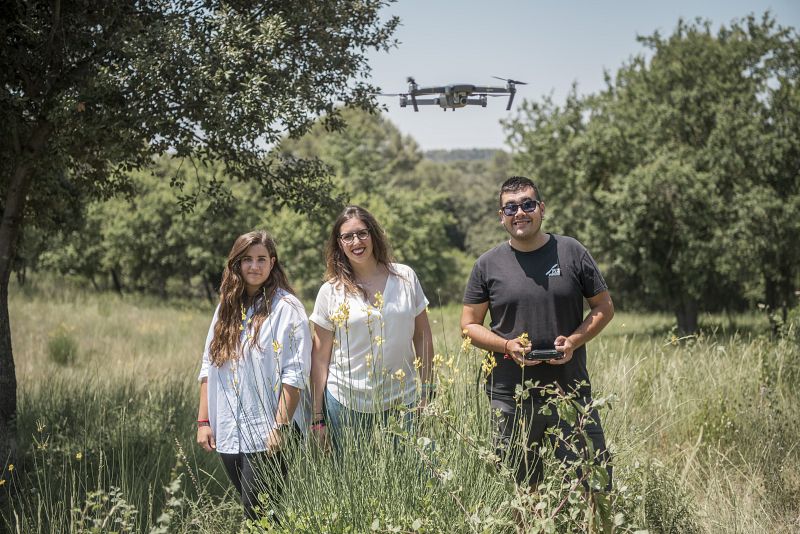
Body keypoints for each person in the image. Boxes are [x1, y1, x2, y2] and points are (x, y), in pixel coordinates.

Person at [460, 176, 614, 489]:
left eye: (528, 204)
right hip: (509, 398)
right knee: (521, 496)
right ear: (501, 216)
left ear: (541, 209)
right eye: (511, 207)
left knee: (593, 487)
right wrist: (506, 346)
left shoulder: (572, 251)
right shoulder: (486, 264)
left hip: (570, 393)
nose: (520, 212)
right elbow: (468, 326)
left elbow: (604, 307)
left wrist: (573, 341)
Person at [196, 230, 311, 521]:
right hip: (229, 428)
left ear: (272, 263)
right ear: (236, 264)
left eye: (261, 259)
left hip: (269, 431)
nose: (254, 266)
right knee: (262, 514)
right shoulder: (226, 306)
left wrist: (280, 427)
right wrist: (204, 421)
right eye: (247, 259)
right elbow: (209, 364)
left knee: (259, 513)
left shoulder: (287, 308)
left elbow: (295, 375)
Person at [309, 205, 434, 451]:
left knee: (413, 472)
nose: (356, 241)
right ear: (339, 243)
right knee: (351, 477)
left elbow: (422, 337)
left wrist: (428, 391)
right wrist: (317, 417)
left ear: (374, 235)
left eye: (362, 233)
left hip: (404, 398)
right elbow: (320, 358)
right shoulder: (330, 291)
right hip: (346, 400)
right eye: (348, 236)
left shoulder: (406, 277)